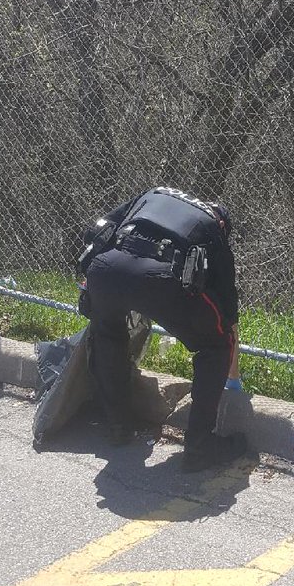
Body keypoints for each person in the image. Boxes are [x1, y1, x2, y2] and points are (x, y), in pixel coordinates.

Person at [81, 186, 243, 472]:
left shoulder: (155, 194)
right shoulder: (212, 227)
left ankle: (118, 425)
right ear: (223, 223)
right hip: (161, 279)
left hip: (105, 271)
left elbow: (96, 230)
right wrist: (231, 367)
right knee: (216, 346)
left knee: (107, 333)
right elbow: (228, 308)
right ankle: (199, 448)